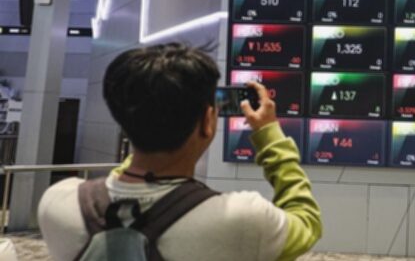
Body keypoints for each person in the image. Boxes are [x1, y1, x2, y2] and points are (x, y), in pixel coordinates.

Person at [37, 43, 322, 260]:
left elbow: (130, 171)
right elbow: (306, 220)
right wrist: (269, 135)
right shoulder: (242, 219)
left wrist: (142, 127)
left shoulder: (59, 202)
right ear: (208, 121)